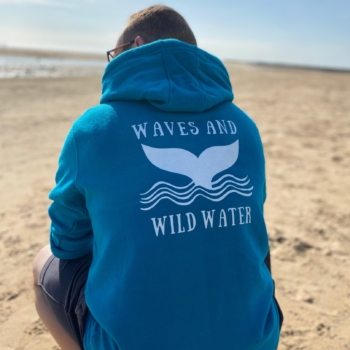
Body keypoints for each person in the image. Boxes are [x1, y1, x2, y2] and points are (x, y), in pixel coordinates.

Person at [32, 5, 283, 350]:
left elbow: (66, 243)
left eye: (114, 55)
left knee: (42, 262)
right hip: (256, 337)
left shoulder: (95, 128)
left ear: (135, 46)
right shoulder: (244, 126)